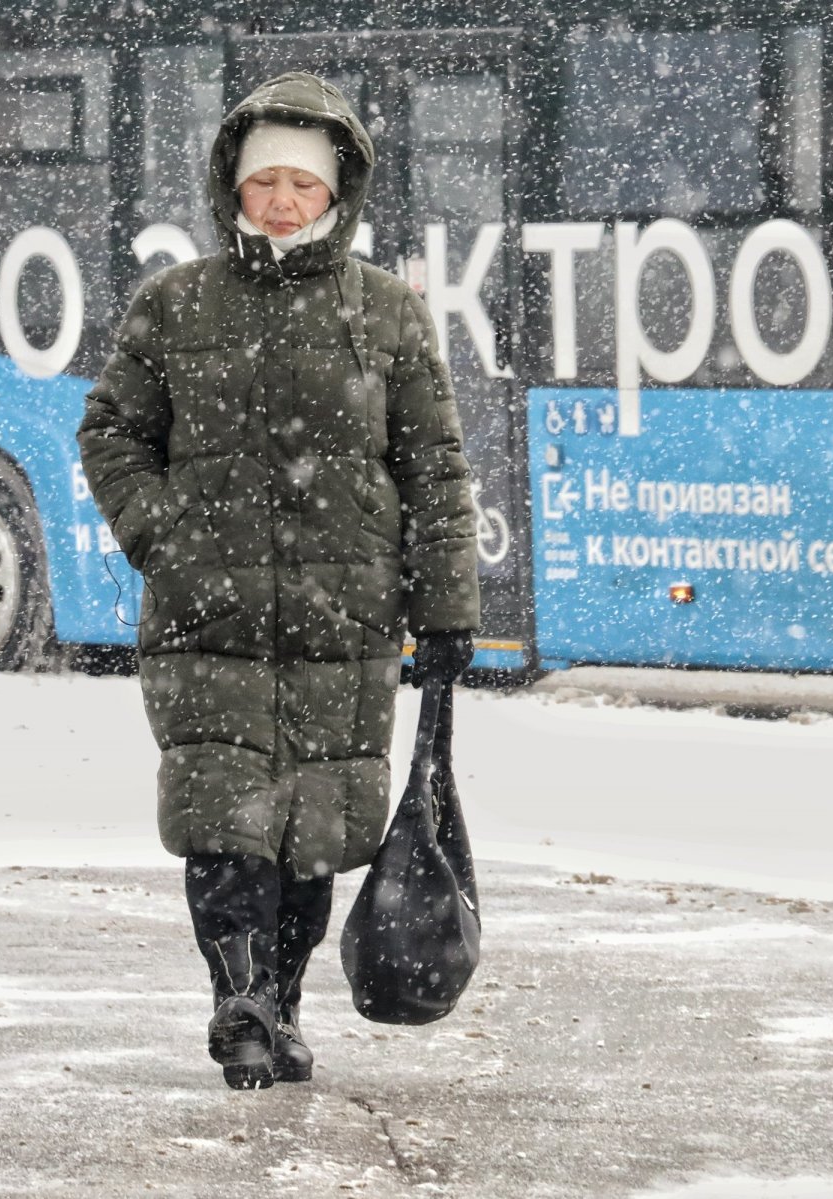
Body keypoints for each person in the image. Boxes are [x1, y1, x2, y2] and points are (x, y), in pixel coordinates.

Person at [76, 72, 480, 1090]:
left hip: (339, 627)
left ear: (337, 190)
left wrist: (443, 607)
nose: (284, 202)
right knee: (224, 819)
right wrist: (166, 538)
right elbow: (113, 431)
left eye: (304, 182)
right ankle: (239, 993)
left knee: (311, 836)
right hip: (207, 620)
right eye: (267, 183)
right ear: (235, 189)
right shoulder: (176, 305)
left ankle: (279, 999)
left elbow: (433, 467)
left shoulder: (385, 314)